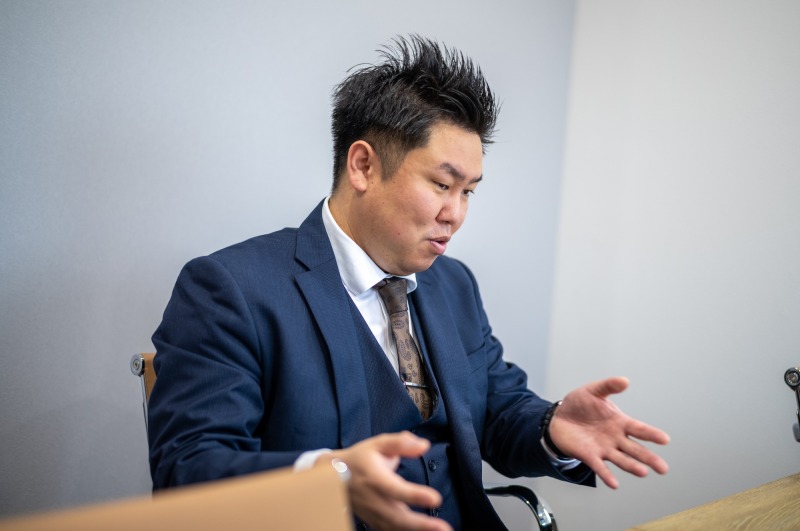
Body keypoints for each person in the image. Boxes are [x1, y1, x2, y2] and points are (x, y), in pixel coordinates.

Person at [147, 35, 669, 531]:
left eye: (468, 192)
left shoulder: (454, 284)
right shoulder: (231, 289)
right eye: (442, 184)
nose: (455, 214)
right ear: (363, 166)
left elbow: (498, 410)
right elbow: (187, 471)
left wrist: (550, 428)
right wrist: (332, 478)